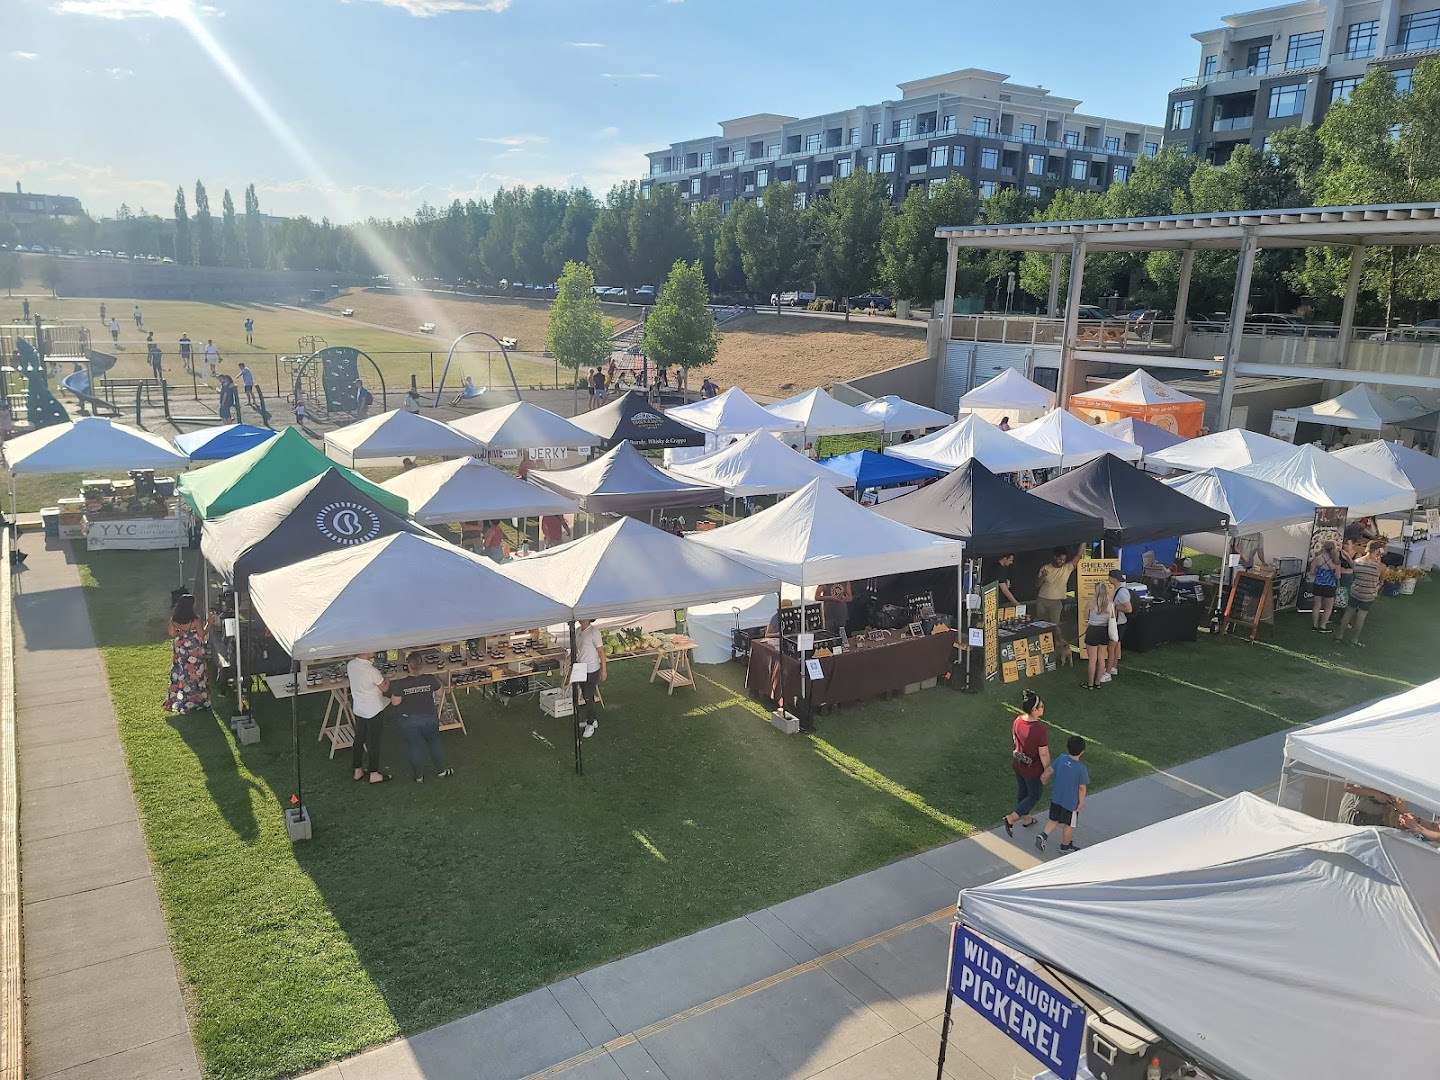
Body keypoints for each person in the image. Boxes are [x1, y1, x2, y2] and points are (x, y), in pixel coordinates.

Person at [388, 652, 453, 782]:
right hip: (429, 716)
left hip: (409, 719)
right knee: (434, 743)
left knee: (414, 746)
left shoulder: (402, 683)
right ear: (421, 665)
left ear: (408, 665)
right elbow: (440, 693)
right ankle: (441, 771)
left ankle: (419, 776)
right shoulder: (430, 679)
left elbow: (395, 702)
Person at [1003, 689, 1050, 836]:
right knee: (1034, 795)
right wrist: (1047, 770)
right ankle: (1011, 818)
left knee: (1023, 791)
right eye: (1041, 706)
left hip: (1018, 763)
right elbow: (1043, 753)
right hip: (1032, 769)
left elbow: (1014, 739)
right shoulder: (1039, 729)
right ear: (1034, 710)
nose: (1043, 708)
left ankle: (1027, 819)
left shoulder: (1018, 720)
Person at [163, 595, 214, 714]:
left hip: (180, 649)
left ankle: (178, 698)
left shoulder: (174, 619)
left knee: (181, 671)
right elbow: (202, 634)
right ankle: (197, 699)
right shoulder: (195, 620)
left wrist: (181, 633)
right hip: (193, 649)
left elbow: (171, 633)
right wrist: (209, 623)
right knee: (196, 673)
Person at [1037, 735, 1087, 854]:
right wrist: (1081, 803)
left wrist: (1044, 777)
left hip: (1056, 798)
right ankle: (1065, 846)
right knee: (1068, 825)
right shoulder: (1081, 769)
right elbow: (1082, 788)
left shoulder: (1062, 758)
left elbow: (1050, 769)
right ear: (1082, 751)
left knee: (1053, 820)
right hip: (1071, 803)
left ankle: (1043, 835)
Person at [347, 652, 390, 784]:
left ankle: (357, 770)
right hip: (373, 710)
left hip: (359, 708)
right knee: (374, 742)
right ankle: (374, 773)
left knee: (359, 739)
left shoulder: (351, 665)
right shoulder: (372, 671)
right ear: (365, 651)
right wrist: (387, 679)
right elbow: (384, 688)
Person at [1337, 539, 1384, 646]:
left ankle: (1339, 635)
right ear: (1377, 550)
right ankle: (1354, 640)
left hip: (1356, 591)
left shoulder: (1357, 561)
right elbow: (1381, 580)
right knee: (1361, 616)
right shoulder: (1380, 566)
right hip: (1369, 594)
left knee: (1348, 613)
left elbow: (1354, 571)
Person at [1036, 548, 1074, 666]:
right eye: (1060, 559)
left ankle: (1060, 647)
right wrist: (1043, 576)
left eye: (1063, 560)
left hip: (1056, 601)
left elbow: (1078, 556)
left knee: (1055, 625)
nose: (1061, 561)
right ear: (1055, 557)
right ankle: (1043, 650)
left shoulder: (1067, 568)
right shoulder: (1045, 568)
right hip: (1042, 599)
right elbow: (1036, 584)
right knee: (1041, 624)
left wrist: (1084, 541)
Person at [574, 618, 607, 739]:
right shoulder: (578, 630)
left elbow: (601, 652)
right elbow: (577, 648)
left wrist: (604, 670)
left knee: (588, 696)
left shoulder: (594, 632)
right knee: (586, 695)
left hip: (591, 669)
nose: (581, 620)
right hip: (581, 667)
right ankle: (592, 719)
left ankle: (590, 724)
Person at [1082, 580, 1114, 689]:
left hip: (1093, 630)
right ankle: (1098, 682)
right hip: (1104, 631)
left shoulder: (1091, 602)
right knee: (1101, 658)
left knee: (1092, 659)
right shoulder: (1110, 604)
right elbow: (1112, 619)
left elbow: (1085, 617)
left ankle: (1090, 684)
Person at [1308, 540, 1340, 633]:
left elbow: (1312, 572)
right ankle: (1323, 626)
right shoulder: (1336, 561)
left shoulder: (1317, 559)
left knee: (1317, 605)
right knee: (1328, 607)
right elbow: (1338, 576)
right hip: (1330, 585)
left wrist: (1320, 572)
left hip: (1318, 584)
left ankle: (1315, 625)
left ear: (1323, 548)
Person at [1106, 569, 1132, 680]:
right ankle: (1113, 667)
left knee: (1111, 647)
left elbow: (1128, 609)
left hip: (1118, 623)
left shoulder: (1121, 592)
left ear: (1114, 579)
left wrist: (1114, 607)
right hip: (1118, 622)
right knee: (1116, 646)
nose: (1108, 578)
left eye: (1109, 577)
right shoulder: (1118, 590)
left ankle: (1108, 672)